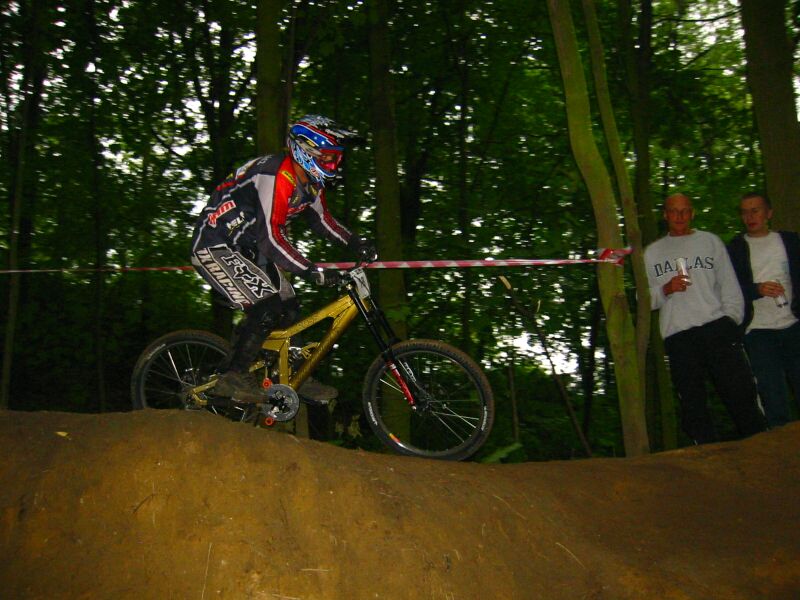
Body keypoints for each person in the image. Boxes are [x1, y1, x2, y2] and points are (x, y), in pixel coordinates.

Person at [191, 115, 376, 404]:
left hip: (250, 249)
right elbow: (271, 237)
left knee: (289, 307)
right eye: (328, 158)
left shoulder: (311, 183)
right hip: (216, 245)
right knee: (267, 307)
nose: (334, 165)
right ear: (305, 151)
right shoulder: (276, 175)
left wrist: (355, 242)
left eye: (336, 159)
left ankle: (293, 375)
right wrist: (310, 270)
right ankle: (232, 376)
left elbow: (322, 220)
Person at [644, 192, 765, 444]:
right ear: (665, 215)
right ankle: (704, 452)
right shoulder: (652, 253)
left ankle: (758, 445)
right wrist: (665, 289)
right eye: (674, 211)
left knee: (739, 391)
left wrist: (731, 320)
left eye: (685, 211)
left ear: (692, 213)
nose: (679, 216)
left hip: (716, 327)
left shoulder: (709, 242)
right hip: (678, 334)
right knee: (693, 402)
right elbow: (643, 299)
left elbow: (729, 285)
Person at [727, 192, 800, 428]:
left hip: (793, 324)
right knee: (771, 393)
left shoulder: (789, 241)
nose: (750, 217)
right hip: (758, 330)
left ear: (769, 213)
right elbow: (729, 289)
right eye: (745, 212)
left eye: (755, 210)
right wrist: (756, 289)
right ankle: (780, 442)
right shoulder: (735, 249)